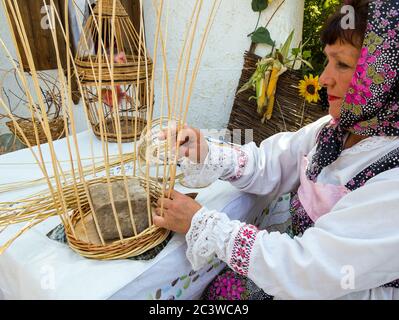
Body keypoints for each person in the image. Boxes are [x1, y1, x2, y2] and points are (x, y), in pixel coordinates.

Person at [154, 0, 399, 300]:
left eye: (343, 64)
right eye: (328, 61)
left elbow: (311, 269)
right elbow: (271, 162)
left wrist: (203, 224)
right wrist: (204, 150)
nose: (324, 78)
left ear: (385, 79)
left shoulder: (393, 180)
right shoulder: (337, 130)